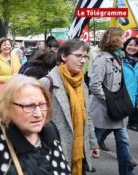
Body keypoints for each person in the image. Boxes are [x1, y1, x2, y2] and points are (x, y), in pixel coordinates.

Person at [0, 74, 71, 174]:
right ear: (7, 107)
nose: (38, 114)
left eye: (42, 104)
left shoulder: (49, 129)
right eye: (29, 106)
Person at [39, 39, 99, 174]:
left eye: (85, 56)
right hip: (55, 151)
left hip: (79, 153)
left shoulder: (81, 84)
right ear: (64, 56)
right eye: (78, 56)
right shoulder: (46, 83)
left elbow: (86, 116)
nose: (83, 61)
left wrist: (92, 142)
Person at [89, 27, 134, 174]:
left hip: (116, 111)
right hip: (104, 111)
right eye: (121, 37)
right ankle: (79, 164)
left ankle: (126, 172)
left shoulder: (119, 57)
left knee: (123, 142)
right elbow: (94, 85)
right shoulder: (102, 59)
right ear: (114, 39)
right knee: (92, 140)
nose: (124, 40)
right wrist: (109, 100)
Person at [123, 37, 138, 132]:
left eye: (135, 45)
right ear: (125, 46)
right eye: (130, 45)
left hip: (135, 97)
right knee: (114, 122)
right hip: (122, 96)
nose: (132, 47)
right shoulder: (119, 60)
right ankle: (98, 140)